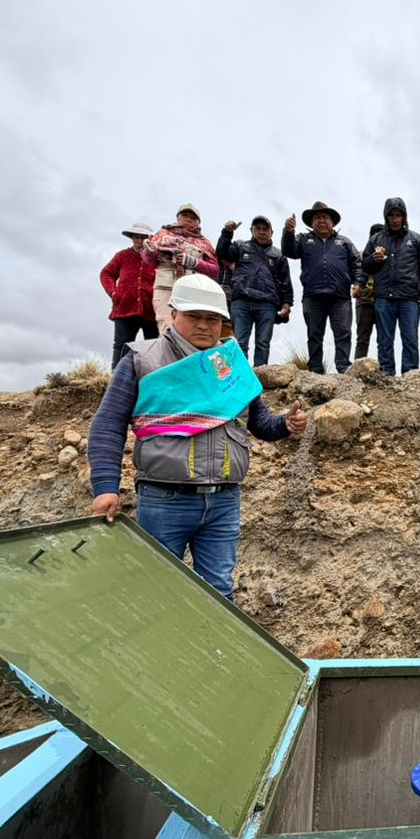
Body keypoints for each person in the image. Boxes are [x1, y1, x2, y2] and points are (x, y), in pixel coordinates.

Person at [87, 274, 308, 601]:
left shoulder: (231, 365)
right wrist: (105, 487)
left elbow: (257, 422)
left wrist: (285, 424)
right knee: (156, 591)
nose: (204, 325)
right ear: (173, 313)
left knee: (218, 593)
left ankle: (214, 653)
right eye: (194, 316)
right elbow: (108, 425)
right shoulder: (143, 359)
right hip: (164, 501)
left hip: (223, 501)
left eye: (213, 319)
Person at [281, 201, 363, 375]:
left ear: (332, 221)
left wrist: (358, 283)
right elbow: (289, 251)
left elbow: (357, 263)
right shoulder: (303, 240)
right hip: (313, 296)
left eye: (325, 217)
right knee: (314, 335)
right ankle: (315, 369)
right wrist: (288, 232)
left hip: (340, 297)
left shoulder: (344, 242)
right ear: (311, 223)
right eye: (317, 218)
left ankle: (343, 367)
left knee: (343, 333)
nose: (321, 221)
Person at [362, 197, 420, 376]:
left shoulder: (416, 240)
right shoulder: (376, 240)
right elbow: (365, 266)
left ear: (404, 216)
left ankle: (410, 375)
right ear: (385, 217)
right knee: (384, 339)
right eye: (391, 215)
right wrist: (372, 260)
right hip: (383, 297)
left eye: (398, 215)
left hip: (410, 298)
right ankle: (387, 374)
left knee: (410, 339)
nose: (395, 219)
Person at [216, 215, 293, 366]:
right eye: (257, 228)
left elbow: (285, 282)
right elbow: (221, 253)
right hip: (241, 301)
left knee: (263, 343)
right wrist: (226, 233)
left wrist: (287, 304)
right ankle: (241, 376)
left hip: (267, 304)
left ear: (272, 233)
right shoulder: (239, 246)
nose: (262, 232)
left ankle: (260, 374)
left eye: (265, 229)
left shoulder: (279, 256)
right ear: (251, 231)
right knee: (239, 342)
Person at [143, 204, 220, 334]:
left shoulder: (204, 242)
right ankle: (170, 355)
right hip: (165, 288)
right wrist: (149, 251)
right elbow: (149, 261)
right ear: (178, 218)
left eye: (192, 217)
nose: (188, 219)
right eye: (185, 216)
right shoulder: (162, 235)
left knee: (190, 332)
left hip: (192, 291)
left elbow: (215, 270)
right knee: (167, 330)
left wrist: (194, 262)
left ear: (198, 222)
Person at [99, 222, 158, 369]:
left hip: (151, 309)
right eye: (136, 237)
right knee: (121, 345)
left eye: (143, 237)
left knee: (153, 346)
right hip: (125, 307)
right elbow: (106, 273)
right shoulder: (122, 256)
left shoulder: (156, 259)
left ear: (149, 239)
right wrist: (113, 292)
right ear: (132, 238)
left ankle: (150, 378)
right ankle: (116, 379)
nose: (139, 241)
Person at [354, 223, 384, 360]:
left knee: (384, 338)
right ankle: (357, 368)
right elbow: (354, 274)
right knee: (362, 338)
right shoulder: (361, 256)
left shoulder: (388, 258)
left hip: (383, 300)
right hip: (364, 301)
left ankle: (385, 369)